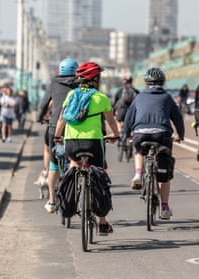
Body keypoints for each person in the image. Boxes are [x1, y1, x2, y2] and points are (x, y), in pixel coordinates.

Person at [54, 61, 120, 235]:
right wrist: (116, 135)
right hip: (93, 142)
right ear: (96, 78)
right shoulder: (101, 98)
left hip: (72, 143)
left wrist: (57, 136)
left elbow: (61, 119)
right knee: (99, 172)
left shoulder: (70, 96)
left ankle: (73, 193)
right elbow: (111, 121)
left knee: (74, 165)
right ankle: (103, 222)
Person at [123, 67, 184, 220]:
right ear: (162, 82)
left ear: (146, 83)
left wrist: (126, 134)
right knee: (165, 168)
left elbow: (129, 117)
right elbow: (177, 118)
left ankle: (138, 173)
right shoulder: (167, 97)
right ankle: (164, 207)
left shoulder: (139, 97)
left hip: (140, 133)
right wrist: (180, 135)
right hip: (161, 134)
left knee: (138, 150)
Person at [37, 58, 79, 214]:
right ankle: (75, 187)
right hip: (75, 126)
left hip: (55, 125)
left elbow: (44, 104)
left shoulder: (54, 83)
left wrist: (39, 118)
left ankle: (52, 201)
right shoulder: (80, 82)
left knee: (54, 162)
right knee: (75, 158)